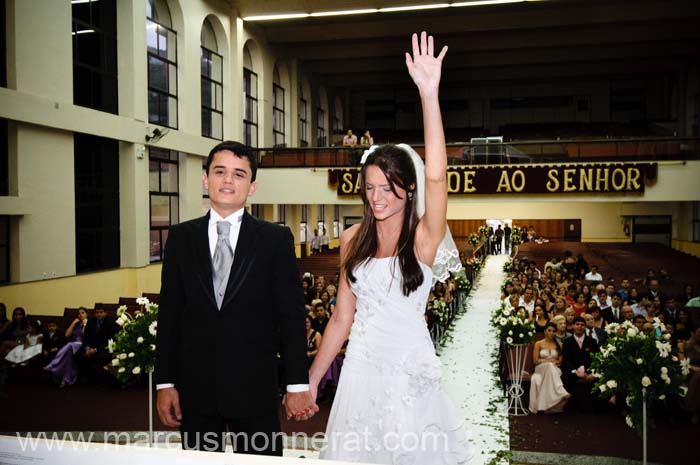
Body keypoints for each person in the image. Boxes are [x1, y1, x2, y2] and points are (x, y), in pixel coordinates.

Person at [308, 32, 472, 463]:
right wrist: (311, 381)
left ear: (409, 188)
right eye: (369, 188)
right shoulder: (351, 241)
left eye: (387, 187)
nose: (376, 197)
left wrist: (429, 95)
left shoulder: (423, 239)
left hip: (407, 370)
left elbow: (438, 177)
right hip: (360, 372)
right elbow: (342, 320)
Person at [155, 141, 316, 455]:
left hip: (255, 389)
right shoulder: (181, 238)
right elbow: (170, 315)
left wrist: (296, 384)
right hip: (196, 390)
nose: (228, 180)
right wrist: (165, 383)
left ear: (252, 186)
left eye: (239, 174)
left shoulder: (275, 240)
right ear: (206, 179)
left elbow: (292, 317)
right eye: (220, 172)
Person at [529, 323, 570, 413]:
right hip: (540, 369)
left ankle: (551, 404)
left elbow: (560, 361)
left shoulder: (559, 344)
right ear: (545, 332)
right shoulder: (538, 343)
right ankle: (560, 391)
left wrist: (551, 362)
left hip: (555, 369)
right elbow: (535, 361)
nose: (551, 333)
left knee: (551, 367)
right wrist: (549, 362)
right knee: (549, 365)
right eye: (549, 330)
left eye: (554, 331)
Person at [44, 308, 88, 388]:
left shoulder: (89, 323)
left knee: (69, 345)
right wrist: (73, 323)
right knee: (69, 356)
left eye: (83, 313)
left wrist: (85, 325)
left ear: (86, 314)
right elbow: (67, 335)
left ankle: (53, 364)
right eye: (79, 313)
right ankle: (66, 379)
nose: (80, 315)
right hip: (74, 344)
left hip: (82, 344)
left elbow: (85, 336)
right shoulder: (77, 324)